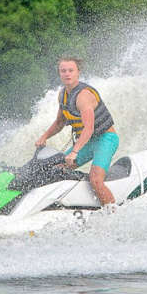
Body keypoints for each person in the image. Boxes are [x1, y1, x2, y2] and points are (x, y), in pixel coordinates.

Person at [35, 57, 119, 206]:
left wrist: (75, 151)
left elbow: (89, 128)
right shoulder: (63, 95)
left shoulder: (83, 96)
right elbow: (60, 122)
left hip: (106, 139)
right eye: (63, 71)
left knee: (96, 180)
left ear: (78, 73)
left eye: (71, 70)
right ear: (59, 73)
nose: (67, 74)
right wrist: (44, 136)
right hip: (87, 142)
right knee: (56, 170)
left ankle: (112, 213)